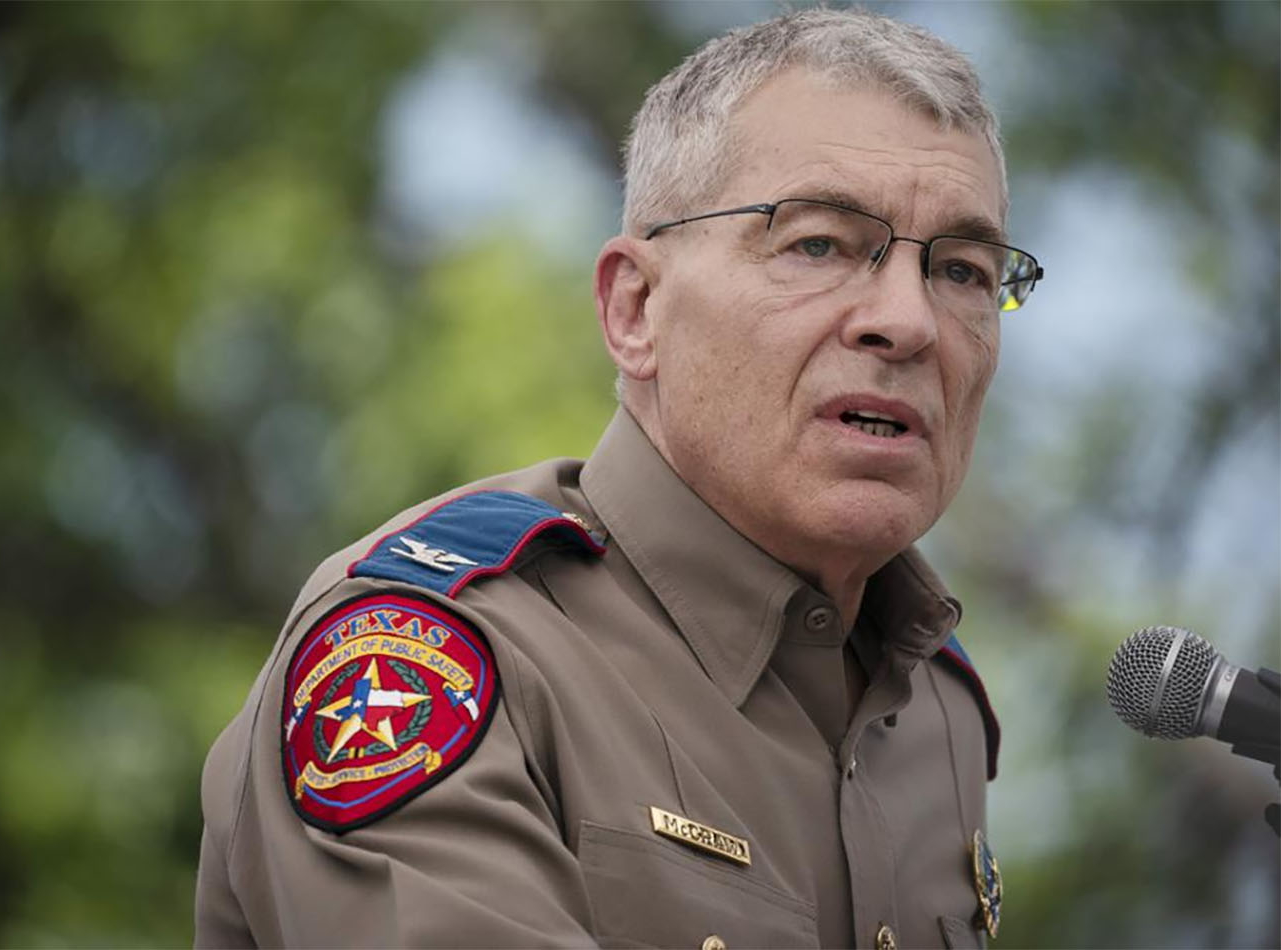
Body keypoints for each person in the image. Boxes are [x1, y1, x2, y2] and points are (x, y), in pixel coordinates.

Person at [195, 8, 1042, 949]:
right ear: (635, 308)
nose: (909, 321)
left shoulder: (937, 707)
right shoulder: (431, 654)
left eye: (963, 270)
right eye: (820, 244)